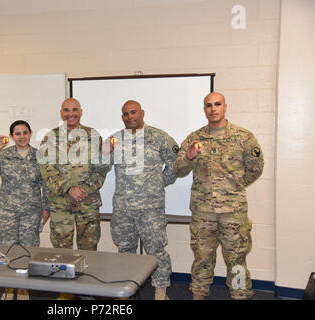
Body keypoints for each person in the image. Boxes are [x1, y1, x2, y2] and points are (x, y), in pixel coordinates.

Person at [173, 92, 264, 300]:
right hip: (203, 211)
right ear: (204, 109)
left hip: (233, 212)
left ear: (225, 107)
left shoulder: (244, 137)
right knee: (202, 257)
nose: (213, 108)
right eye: (208, 105)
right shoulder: (194, 138)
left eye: (217, 104)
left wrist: (235, 186)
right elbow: (177, 170)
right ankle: (199, 293)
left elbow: (256, 167)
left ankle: (240, 294)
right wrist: (188, 158)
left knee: (237, 258)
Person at [103, 100, 179, 300]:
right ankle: (126, 290)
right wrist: (105, 154)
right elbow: (101, 168)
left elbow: (176, 164)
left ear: (142, 113)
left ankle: (160, 290)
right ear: (122, 117)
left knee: (156, 250)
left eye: (133, 112)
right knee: (125, 250)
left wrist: (159, 183)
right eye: (126, 114)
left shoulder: (160, 138)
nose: (130, 117)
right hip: (123, 208)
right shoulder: (115, 140)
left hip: (151, 207)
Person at [38, 98, 108, 299]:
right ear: (61, 113)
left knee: (89, 247)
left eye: (75, 110)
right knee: (62, 249)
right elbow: (46, 169)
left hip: (87, 202)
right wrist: (68, 188)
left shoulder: (94, 136)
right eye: (67, 110)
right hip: (61, 204)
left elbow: (101, 168)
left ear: (81, 111)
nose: (71, 114)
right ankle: (66, 291)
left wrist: (83, 189)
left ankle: (87, 290)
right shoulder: (50, 137)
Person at [0, 120, 50, 300]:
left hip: (31, 213)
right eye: (17, 133)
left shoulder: (39, 156)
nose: (22, 136)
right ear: (11, 136)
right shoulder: (3, 155)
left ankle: (23, 291)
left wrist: (46, 208)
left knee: (27, 251)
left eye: (25, 132)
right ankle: (8, 291)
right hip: (7, 212)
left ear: (30, 134)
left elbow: (46, 185)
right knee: (5, 251)